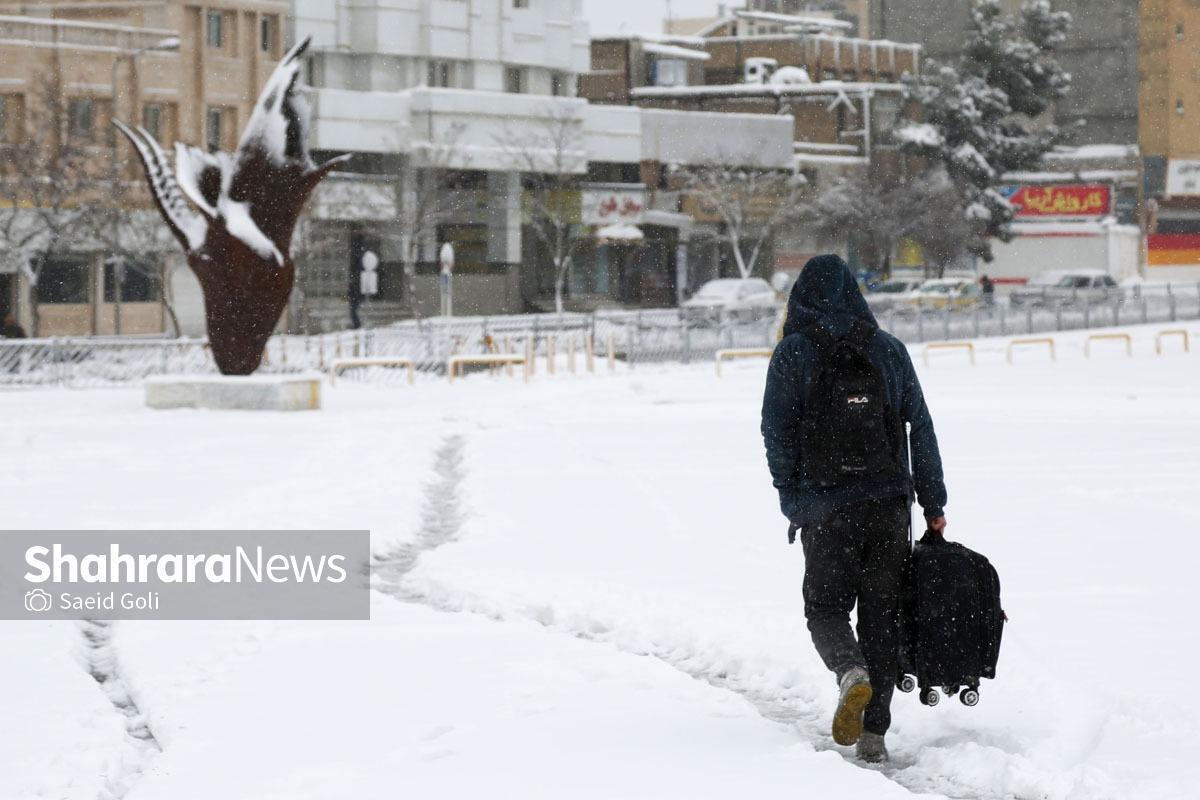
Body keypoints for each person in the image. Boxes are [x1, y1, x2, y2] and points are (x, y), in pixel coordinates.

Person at [761, 254, 947, 763]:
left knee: (825, 608)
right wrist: (934, 501)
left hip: (825, 509)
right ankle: (875, 733)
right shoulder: (888, 350)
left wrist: (792, 500)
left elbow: (776, 431)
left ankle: (850, 672)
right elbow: (921, 426)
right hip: (888, 505)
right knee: (882, 616)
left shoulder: (792, 354)